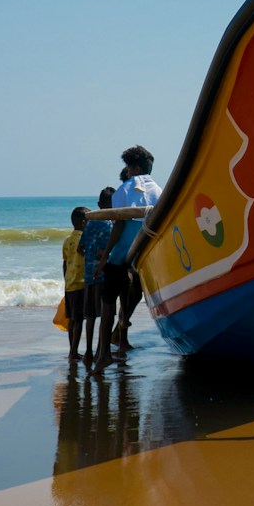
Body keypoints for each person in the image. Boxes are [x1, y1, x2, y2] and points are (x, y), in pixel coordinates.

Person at [89, 145, 162, 376]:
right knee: (131, 295)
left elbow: (119, 224)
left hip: (120, 257)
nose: (127, 171)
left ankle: (104, 355)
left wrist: (104, 259)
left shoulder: (123, 190)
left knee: (108, 303)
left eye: (128, 167)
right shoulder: (159, 192)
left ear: (135, 167)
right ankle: (119, 339)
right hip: (142, 259)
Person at [77, 186, 115, 358]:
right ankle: (101, 350)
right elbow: (104, 252)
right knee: (104, 315)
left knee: (90, 316)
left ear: (99, 204)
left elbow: (80, 248)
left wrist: (89, 260)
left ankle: (88, 351)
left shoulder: (90, 223)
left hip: (88, 276)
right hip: (102, 276)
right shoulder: (108, 225)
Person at [62, 207, 89, 360]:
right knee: (79, 320)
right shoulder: (84, 239)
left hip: (69, 284)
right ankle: (73, 352)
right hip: (81, 283)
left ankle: (72, 349)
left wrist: (65, 280)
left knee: (72, 319)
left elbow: (65, 263)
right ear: (84, 222)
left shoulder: (67, 240)